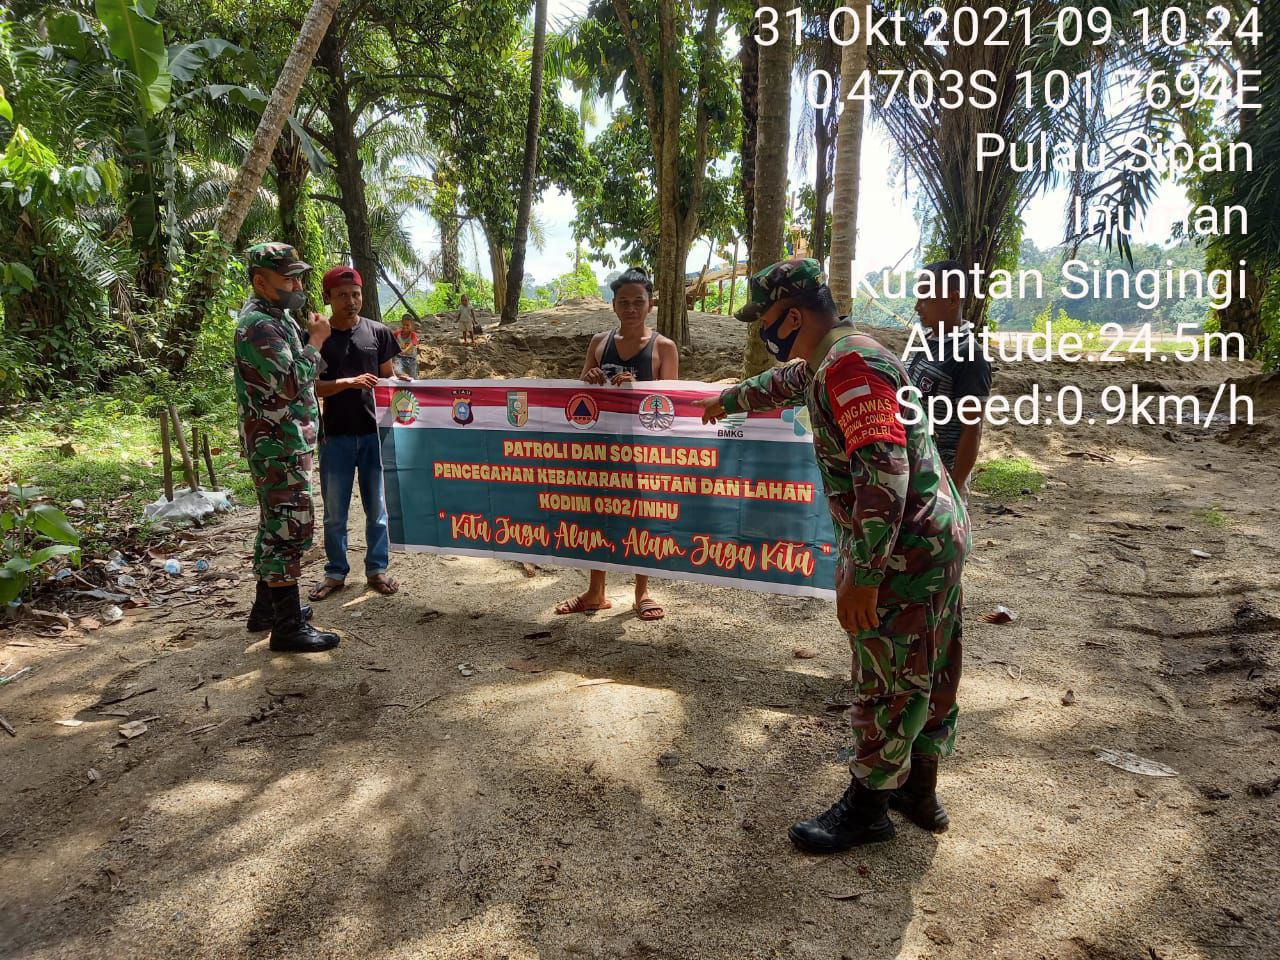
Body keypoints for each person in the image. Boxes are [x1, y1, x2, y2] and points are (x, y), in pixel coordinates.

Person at [698, 258, 969, 850]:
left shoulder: (850, 369)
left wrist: (864, 577)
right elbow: (792, 382)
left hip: (904, 548)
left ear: (793, 315)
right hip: (935, 535)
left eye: (765, 319)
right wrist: (731, 400)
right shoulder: (841, 353)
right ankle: (917, 791)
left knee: (890, 674)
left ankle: (868, 808)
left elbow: (884, 477)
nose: (762, 331)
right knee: (927, 662)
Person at [555, 267, 679, 622]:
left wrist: (638, 391)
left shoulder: (664, 348)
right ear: (613, 305)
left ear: (650, 304)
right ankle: (595, 592)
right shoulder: (599, 342)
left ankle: (642, 592)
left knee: (641, 516)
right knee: (598, 514)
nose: (631, 308)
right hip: (600, 446)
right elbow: (580, 395)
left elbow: (671, 403)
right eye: (623, 301)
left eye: (638, 301)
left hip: (642, 449)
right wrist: (591, 379)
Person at [234, 241, 340, 653]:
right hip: (277, 443)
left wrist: (308, 337)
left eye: (299, 275)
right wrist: (316, 341)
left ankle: (268, 610)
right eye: (288, 277)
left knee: (274, 524)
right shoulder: (259, 325)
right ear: (261, 281)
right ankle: (288, 627)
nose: (297, 283)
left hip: (284, 440)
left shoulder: (276, 317)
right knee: (289, 530)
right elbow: (293, 381)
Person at [307, 265, 404, 603]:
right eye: (343, 295)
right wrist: (348, 382)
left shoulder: (378, 333)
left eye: (356, 294)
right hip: (335, 437)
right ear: (329, 298)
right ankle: (335, 572)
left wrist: (400, 383)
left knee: (377, 508)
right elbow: (313, 388)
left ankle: (377, 569)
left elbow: (388, 377)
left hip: (375, 436)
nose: (351, 301)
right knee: (335, 511)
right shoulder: (319, 339)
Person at [905, 259, 992, 496]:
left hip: (941, 478)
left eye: (925, 298)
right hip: (913, 471)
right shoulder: (926, 342)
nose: (917, 306)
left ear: (953, 299)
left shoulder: (969, 356)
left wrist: (953, 488)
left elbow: (972, 430)